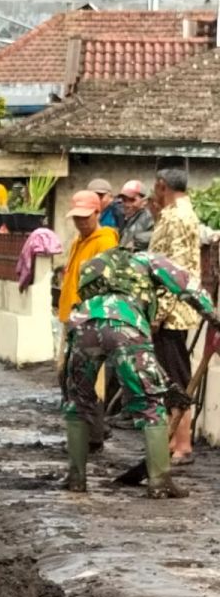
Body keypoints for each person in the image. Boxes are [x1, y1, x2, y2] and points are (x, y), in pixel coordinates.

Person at [62, 247, 219, 498]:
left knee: (78, 401)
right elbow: (188, 286)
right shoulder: (148, 259)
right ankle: (160, 481)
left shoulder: (96, 263)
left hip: (83, 325)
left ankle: (76, 478)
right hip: (126, 323)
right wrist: (214, 318)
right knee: (149, 404)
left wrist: (165, 382)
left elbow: (86, 299)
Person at [148, 167, 203, 464]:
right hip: (171, 309)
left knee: (176, 377)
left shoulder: (179, 217)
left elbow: (175, 270)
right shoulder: (173, 214)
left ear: (162, 186)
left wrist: (160, 312)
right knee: (170, 375)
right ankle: (175, 439)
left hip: (173, 313)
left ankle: (183, 443)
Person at [57, 190, 118, 447]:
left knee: (82, 379)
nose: (81, 222)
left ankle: (92, 435)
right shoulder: (78, 242)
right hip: (72, 318)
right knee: (68, 376)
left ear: (97, 213)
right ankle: (90, 432)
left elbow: (104, 282)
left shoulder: (104, 241)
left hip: (89, 320)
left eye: (85, 217)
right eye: (77, 218)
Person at [116, 180, 154, 251]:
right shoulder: (125, 217)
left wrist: (136, 241)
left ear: (144, 201)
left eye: (132, 200)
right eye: (124, 200)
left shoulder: (149, 218)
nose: (127, 204)